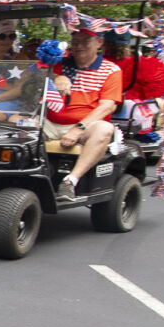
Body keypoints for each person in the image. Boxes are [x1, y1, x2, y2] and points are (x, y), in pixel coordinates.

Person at [44, 28, 122, 200]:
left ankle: (70, 181)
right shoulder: (60, 63)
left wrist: (78, 128)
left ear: (99, 43)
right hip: (51, 121)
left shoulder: (111, 70)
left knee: (104, 129)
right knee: (17, 122)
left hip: (85, 126)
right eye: (75, 42)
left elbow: (106, 107)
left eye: (85, 41)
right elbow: (41, 76)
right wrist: (57, 78)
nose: (79, 46)